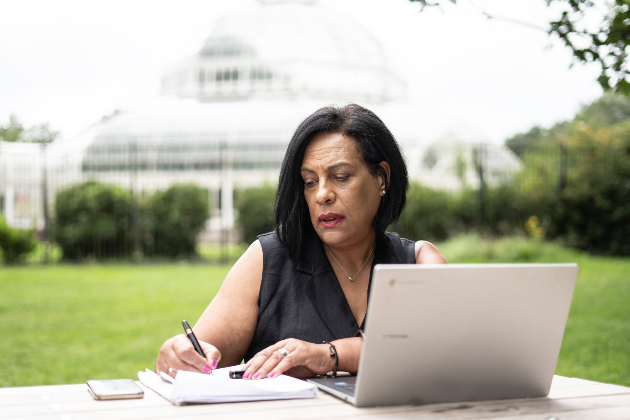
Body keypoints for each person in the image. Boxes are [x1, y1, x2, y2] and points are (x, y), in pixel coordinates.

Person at [155, 104, 447, 380]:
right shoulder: (267, 261)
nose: (322, 194)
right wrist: (181, 358)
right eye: (309, 181)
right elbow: (201, 358)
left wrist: (329, 355)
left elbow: (440, 349)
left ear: (381, 177)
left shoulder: (419, 261)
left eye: (341, 176)